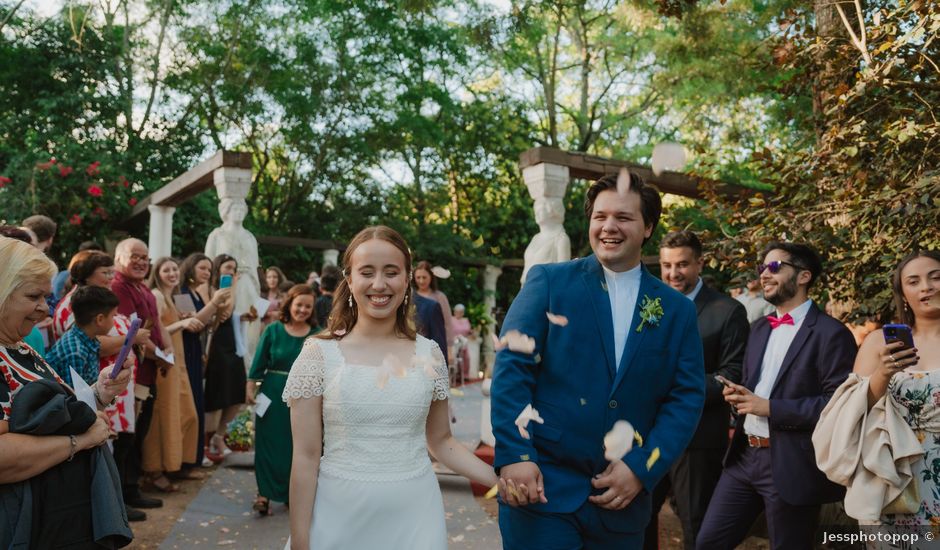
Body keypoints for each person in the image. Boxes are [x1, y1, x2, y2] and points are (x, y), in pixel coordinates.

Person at [491, 170, 706, 548]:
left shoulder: (676, 310)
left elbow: (685, 397)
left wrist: (643, 468)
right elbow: (513, 368)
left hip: (620, 502)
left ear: (648, 227)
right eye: (600, 217)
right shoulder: (549, 282)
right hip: (542, 486)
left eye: (623, 217)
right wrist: (516, 453)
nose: (609, 227)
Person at [282, 225, 497, 550]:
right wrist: (300, 540)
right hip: (337, 515)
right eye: (367, 272)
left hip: (415, 516)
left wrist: (499, 480)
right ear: (350, 279)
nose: (379, 284)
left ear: (407, 278)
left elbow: (440, 441)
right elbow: (306, 456)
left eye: (391, 272)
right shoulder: (318, 354)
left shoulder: (430, 354)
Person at [696, 242, 857, 549]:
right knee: (708, 542)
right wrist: (739, 394)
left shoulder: (831, 334)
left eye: (774, 267)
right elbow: (754, 386)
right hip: (743, 459)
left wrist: (770, 407)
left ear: (804, 276)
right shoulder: (758, 329)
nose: (764, 274)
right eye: (762, 268)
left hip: (791, 461)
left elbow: (839, 405)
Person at [0, 235, 132, 548]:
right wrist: (80, 441)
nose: (44, 309)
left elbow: (50, 414)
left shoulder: (19, 348)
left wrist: (99, 393)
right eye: (34, 296)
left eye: (46, 297)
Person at [814, 251, 940, 530]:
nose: (926, 287)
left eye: (935, 278)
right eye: (914, 281)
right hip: (894, 473)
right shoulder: (877, 342)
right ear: (903, 294)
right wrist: (883, 372)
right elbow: (852, 413)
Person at [646, 230, 750, 549]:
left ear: (700, 263)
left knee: (697, 526)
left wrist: (670, 387)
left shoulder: (727, 311)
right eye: (666, 265)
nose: (673, 273)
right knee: (639, 520)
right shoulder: (649, 304)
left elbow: (731, 375)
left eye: (682, 265)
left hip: (698, 438)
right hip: (648, 434)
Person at [50, 248, 150, 520]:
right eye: (105, 272)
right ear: (99, 319)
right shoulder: (76, 348)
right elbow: (77, 395)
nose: (110, 276)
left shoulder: (89, 341)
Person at [111, 238, 171, 513]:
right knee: (126, 437)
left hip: (149, 371)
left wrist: (165, 352)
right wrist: (160, 355)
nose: (141, 262)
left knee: (139, 433)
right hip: (132, 374)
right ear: (119, 257)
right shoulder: (118, 288)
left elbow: (156, 324)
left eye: (145, 257)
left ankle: (131, 489)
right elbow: (130, 331)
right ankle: (120, 497)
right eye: (134, 256)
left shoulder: (144, 289)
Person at [247, 284, 317, 516]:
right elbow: (257, 365)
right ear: (290, 304)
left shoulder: (317, 335)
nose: (303, 310)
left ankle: (290, 493)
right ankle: (263, 494)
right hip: (271, 394)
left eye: (308, 306)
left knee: (295, 447)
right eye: (299, 305)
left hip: (304, 398)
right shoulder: (273, 330)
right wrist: (250, 388)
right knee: (267, 446)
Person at [141, 257, 201, 491]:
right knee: (161, 417)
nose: (172, 273)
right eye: (166, 270)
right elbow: (153, 330)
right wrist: (181, 325)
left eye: (175, 268)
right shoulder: (156, 295)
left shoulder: (177, 297)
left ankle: (176, 464)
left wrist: (187, 319)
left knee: (187, 415)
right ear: (158, 273)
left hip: (180, 363)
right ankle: (153, 471)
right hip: (164, 363)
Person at [178, 253, 232, 468]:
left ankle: (194, 456)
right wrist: (214, 302)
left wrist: (219, 311)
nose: (207, 273)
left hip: (196, 350)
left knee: (197, 404)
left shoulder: (196, 294)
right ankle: (187, 459)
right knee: (190, 407)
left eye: (209, 270)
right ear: (190, 268)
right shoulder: (181, 293)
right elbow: (194, 322)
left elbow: (209, 326)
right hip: (185, 351)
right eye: (203, 268)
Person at [204, 254, 247, 462]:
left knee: (237, 392)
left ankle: (219, 435)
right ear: (218, 267)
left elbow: (232, 315)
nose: (231, 271)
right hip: (216, 344)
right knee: (217, 393)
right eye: (228, 267)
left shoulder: (229, 289)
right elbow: (224, 313)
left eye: (234, 268)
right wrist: (233, 287)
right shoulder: (212, 289)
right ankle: (208, 440)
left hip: (232, 342)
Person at [46, 285, 120, 387]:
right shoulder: (76, 352)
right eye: (113, 316)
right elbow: (75, 398)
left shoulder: (89, 340)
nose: (114, 321)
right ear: (100, 319)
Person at [414, 260, 455, 362]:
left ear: (431, 277)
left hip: (435, 345)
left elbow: (448, 324)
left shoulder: (440, 297)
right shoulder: (411, 297)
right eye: (418, 277)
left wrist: (449, 349)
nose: (421, 281)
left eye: (424, 277)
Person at [452, 304, 473, 381]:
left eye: (460, 312)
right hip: (454, 343)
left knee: (466, 357)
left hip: (463, 343)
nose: (458, 313)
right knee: (455, 357)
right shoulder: (451, 320)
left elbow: (468, 330)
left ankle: (465, 375)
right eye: (457, 312)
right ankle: (455, 374)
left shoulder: (465, 320)